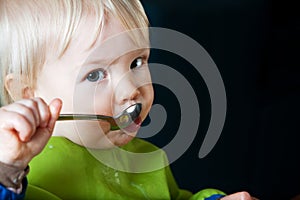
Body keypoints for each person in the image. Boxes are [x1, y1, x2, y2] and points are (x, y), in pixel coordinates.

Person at [0, 0, 254, 199]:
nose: (131, 89)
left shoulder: (146, 155)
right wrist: (7, 173)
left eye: (137, 62)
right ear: (27, 92)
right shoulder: (28, 173)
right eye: (95, 74)